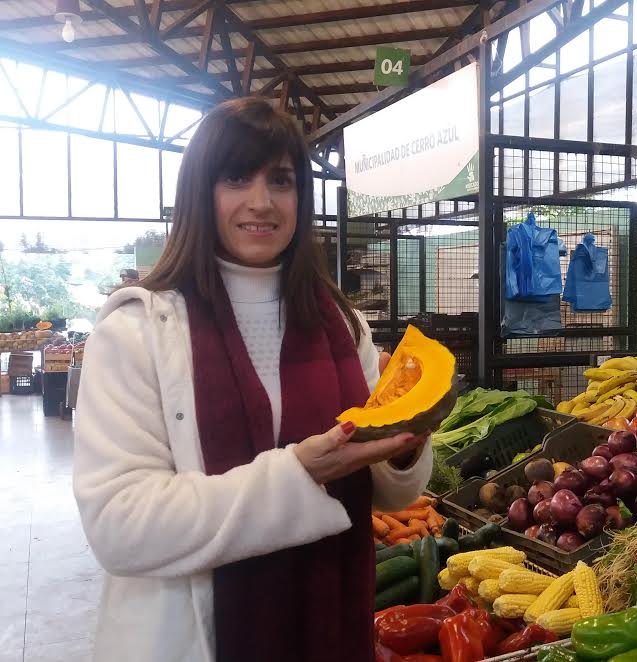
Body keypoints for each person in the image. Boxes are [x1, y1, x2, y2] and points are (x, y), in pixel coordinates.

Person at [73, 97, 432, 662]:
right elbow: (120, 526)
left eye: (281, 180)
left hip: (333, 630)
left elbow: (387, 490)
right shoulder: (137, 332)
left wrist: (408, 438)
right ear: (200, 192)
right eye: (236, 177)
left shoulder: (342, 324)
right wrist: (296, 476)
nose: (261, 202)